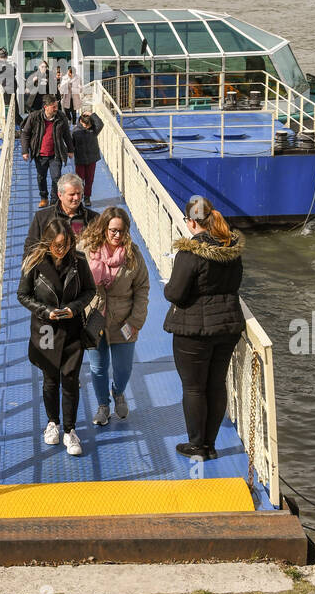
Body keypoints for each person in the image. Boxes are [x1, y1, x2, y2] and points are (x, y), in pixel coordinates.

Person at [163, 196, 245, 459]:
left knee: (194, 388)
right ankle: (210, 445)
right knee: (216, 384)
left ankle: (197, 445)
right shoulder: (231, 248)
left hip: (194, 330)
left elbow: (175, 293)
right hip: (227, 326)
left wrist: (167, 286)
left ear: (190, 222)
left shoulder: (190, 252)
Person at [17, 217, 96, 456]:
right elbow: (23, 295)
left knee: (70, 380)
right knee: (50, 379)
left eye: (66, 244)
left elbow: (90, 290)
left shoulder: (79, 261)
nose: (62, 250)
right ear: (48, 243)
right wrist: (45, 311)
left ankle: (70, 431)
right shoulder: (34, 263)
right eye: (58, 245)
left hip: (72, 328)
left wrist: (74, 307)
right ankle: (53, 423)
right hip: (46, 329)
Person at [80, 208, 149, 426]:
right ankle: (103, 405)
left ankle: (118, 392)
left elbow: (142, 288)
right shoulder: (86, 251)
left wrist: (136, 321)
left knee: (123, 368)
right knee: (98, 367)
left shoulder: (133, 256)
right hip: (93, 319)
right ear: (103, 229)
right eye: (112, 230)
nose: (116, 235)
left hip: (124, 320)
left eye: (121, 231)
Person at [24, 171, 97, 253]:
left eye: (79, 193)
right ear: (60, 195)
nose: (76, 198)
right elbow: (30, 248)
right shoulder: (42, 218)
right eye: (72, 194)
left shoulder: (94, 219)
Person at [20, 93, 73, 207]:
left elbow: (67, 135)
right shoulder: (34, 117)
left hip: (56, 153)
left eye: (56, 106)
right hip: (40, 154)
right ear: (46, 107)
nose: (56, 109)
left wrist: (70, 149)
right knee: (41, 177)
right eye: (53, 107)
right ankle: (44, 198)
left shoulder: (61, 117)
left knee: (56, 177)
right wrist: (25, 151)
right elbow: (25, 134)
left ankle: (54, 201)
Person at [72, 109, 103, 206]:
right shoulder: (75, 132)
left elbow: (100, 124)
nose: (87, 127)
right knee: (80, 180)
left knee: (90, 179)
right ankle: (79, 197)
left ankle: (87, 197)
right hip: (80, 160)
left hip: (91, 159)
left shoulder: (93, 130)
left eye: (89, 125)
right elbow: (71, 145)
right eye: (86, 125)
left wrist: (92, 114)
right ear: (81, 122)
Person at [0, 47, 21, 126]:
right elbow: (12, 73)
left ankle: (16, 121)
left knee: (13, 105)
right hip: (7, 88)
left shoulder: (2, 64)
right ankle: (16, 122)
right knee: (11, 106)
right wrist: (13, 67)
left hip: (9, 87)